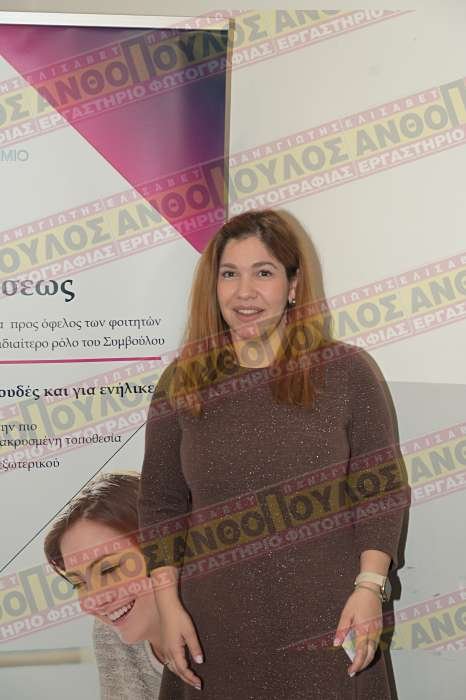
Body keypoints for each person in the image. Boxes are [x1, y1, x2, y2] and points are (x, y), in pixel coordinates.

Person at [138, 209, 411, 699]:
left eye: (262, 273)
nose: (244, 292)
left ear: (293, 285)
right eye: (229, 274)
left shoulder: (346, 373)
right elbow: (161, 503)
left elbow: (380, 490)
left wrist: (370, 588)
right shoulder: (183, 381)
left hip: (330, 622)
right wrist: (166, 604)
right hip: (211, 628)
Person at [44, 472, 164, 700]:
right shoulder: (111, 631)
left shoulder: (228, 625)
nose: (95, 600)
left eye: (109, 569)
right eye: (79, 583)